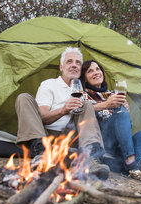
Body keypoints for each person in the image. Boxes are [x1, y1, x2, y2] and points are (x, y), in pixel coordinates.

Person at [15, 48, 110, 180]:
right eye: (69, 62)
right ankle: (42, 155)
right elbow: (42, 117)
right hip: (46, 138)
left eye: (78, 63)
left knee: (87, 104)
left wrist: (119, 104)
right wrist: (63, 110)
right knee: (23, 98)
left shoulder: (82, 89)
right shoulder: (49, 84)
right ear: (61, 67)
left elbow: (102, 100)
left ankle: (91, 159)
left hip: (72, 140)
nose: (74, 65)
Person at [80, 60, 141, 181]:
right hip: (103, 138)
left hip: (120, 141)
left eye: (98, 69)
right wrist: (109, 105)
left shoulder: (114, 93)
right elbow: (82, 113)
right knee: (121, 112)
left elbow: (127, 123)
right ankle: (131, 161)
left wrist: (124, 111)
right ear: (85, 78)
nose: (96, 73)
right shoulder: (83, 95)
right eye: (90, 71)